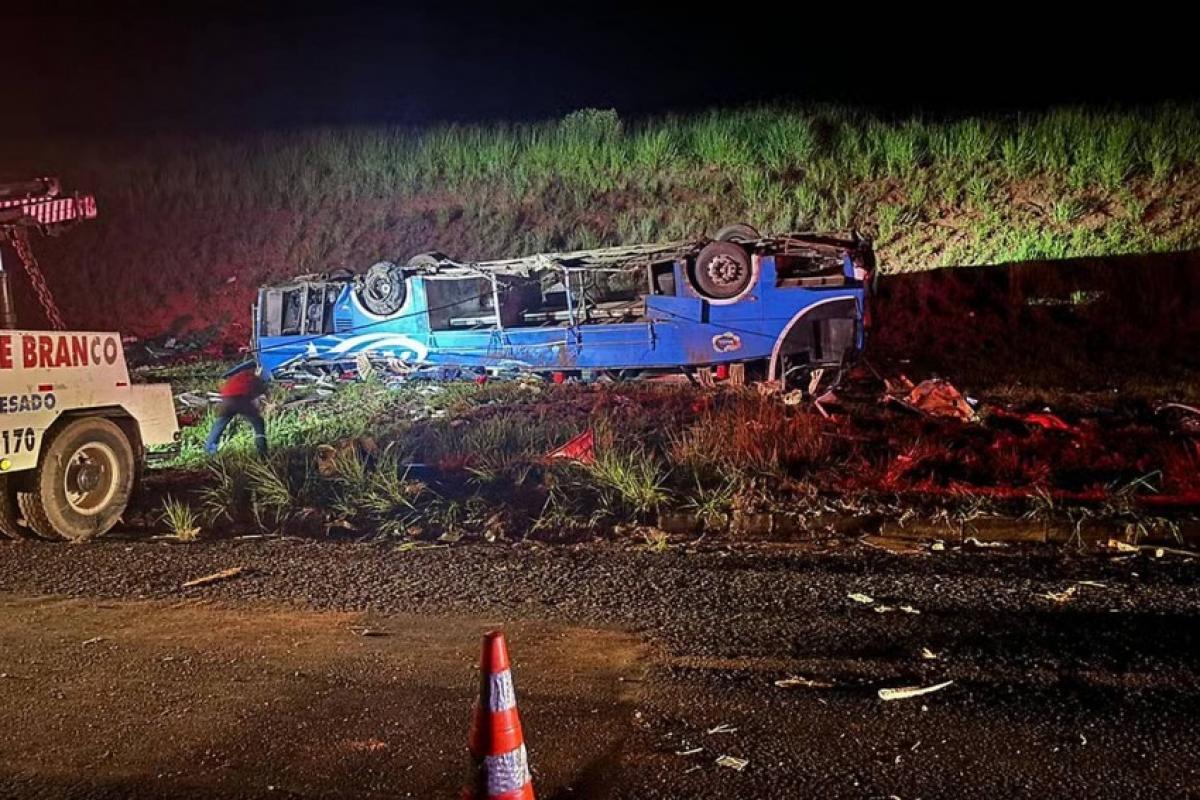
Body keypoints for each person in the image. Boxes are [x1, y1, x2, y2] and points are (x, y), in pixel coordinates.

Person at [205, 365, 269, 456]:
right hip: (241, 400)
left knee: (220, 424)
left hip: (226, 401)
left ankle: (209, 450)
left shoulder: (237, 376)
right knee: (258, 422)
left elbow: (226, 389)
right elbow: (259, 393)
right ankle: (262, 450)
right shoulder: (253, 378)